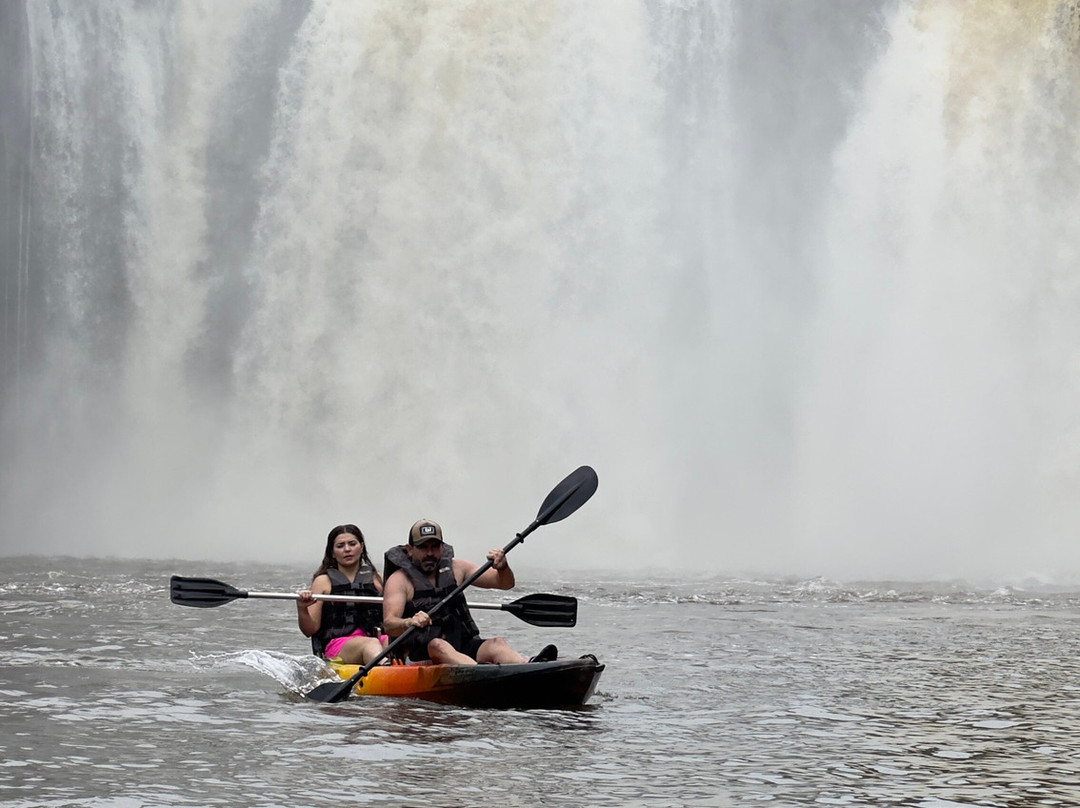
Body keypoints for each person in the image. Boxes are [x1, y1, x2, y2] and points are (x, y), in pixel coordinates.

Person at [382, 519, 558, 665]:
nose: (430, 553)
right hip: (421, 655)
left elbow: (505, 584)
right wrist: (409, 622)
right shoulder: (399, 581)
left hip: (460, 644)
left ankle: (529, 665)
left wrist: (503, 567)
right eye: (423, 547)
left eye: (435, 546)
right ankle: (484, 675)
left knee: (497, 644)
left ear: (442, 548)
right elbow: (389, 625)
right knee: (438, 646)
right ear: (410, 549)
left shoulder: (458, 568)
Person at [297, 524, 387, 665]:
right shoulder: (323, 582)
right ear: (332, 552)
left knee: (392, 641)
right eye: (340, 546)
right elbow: (310, 630)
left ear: (361, 547)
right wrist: (302, 608)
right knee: (370, 644)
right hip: (339, 645)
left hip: (376, 637)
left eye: (352, 544)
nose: (347, 549)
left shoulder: (379, 579)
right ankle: (386, 673)